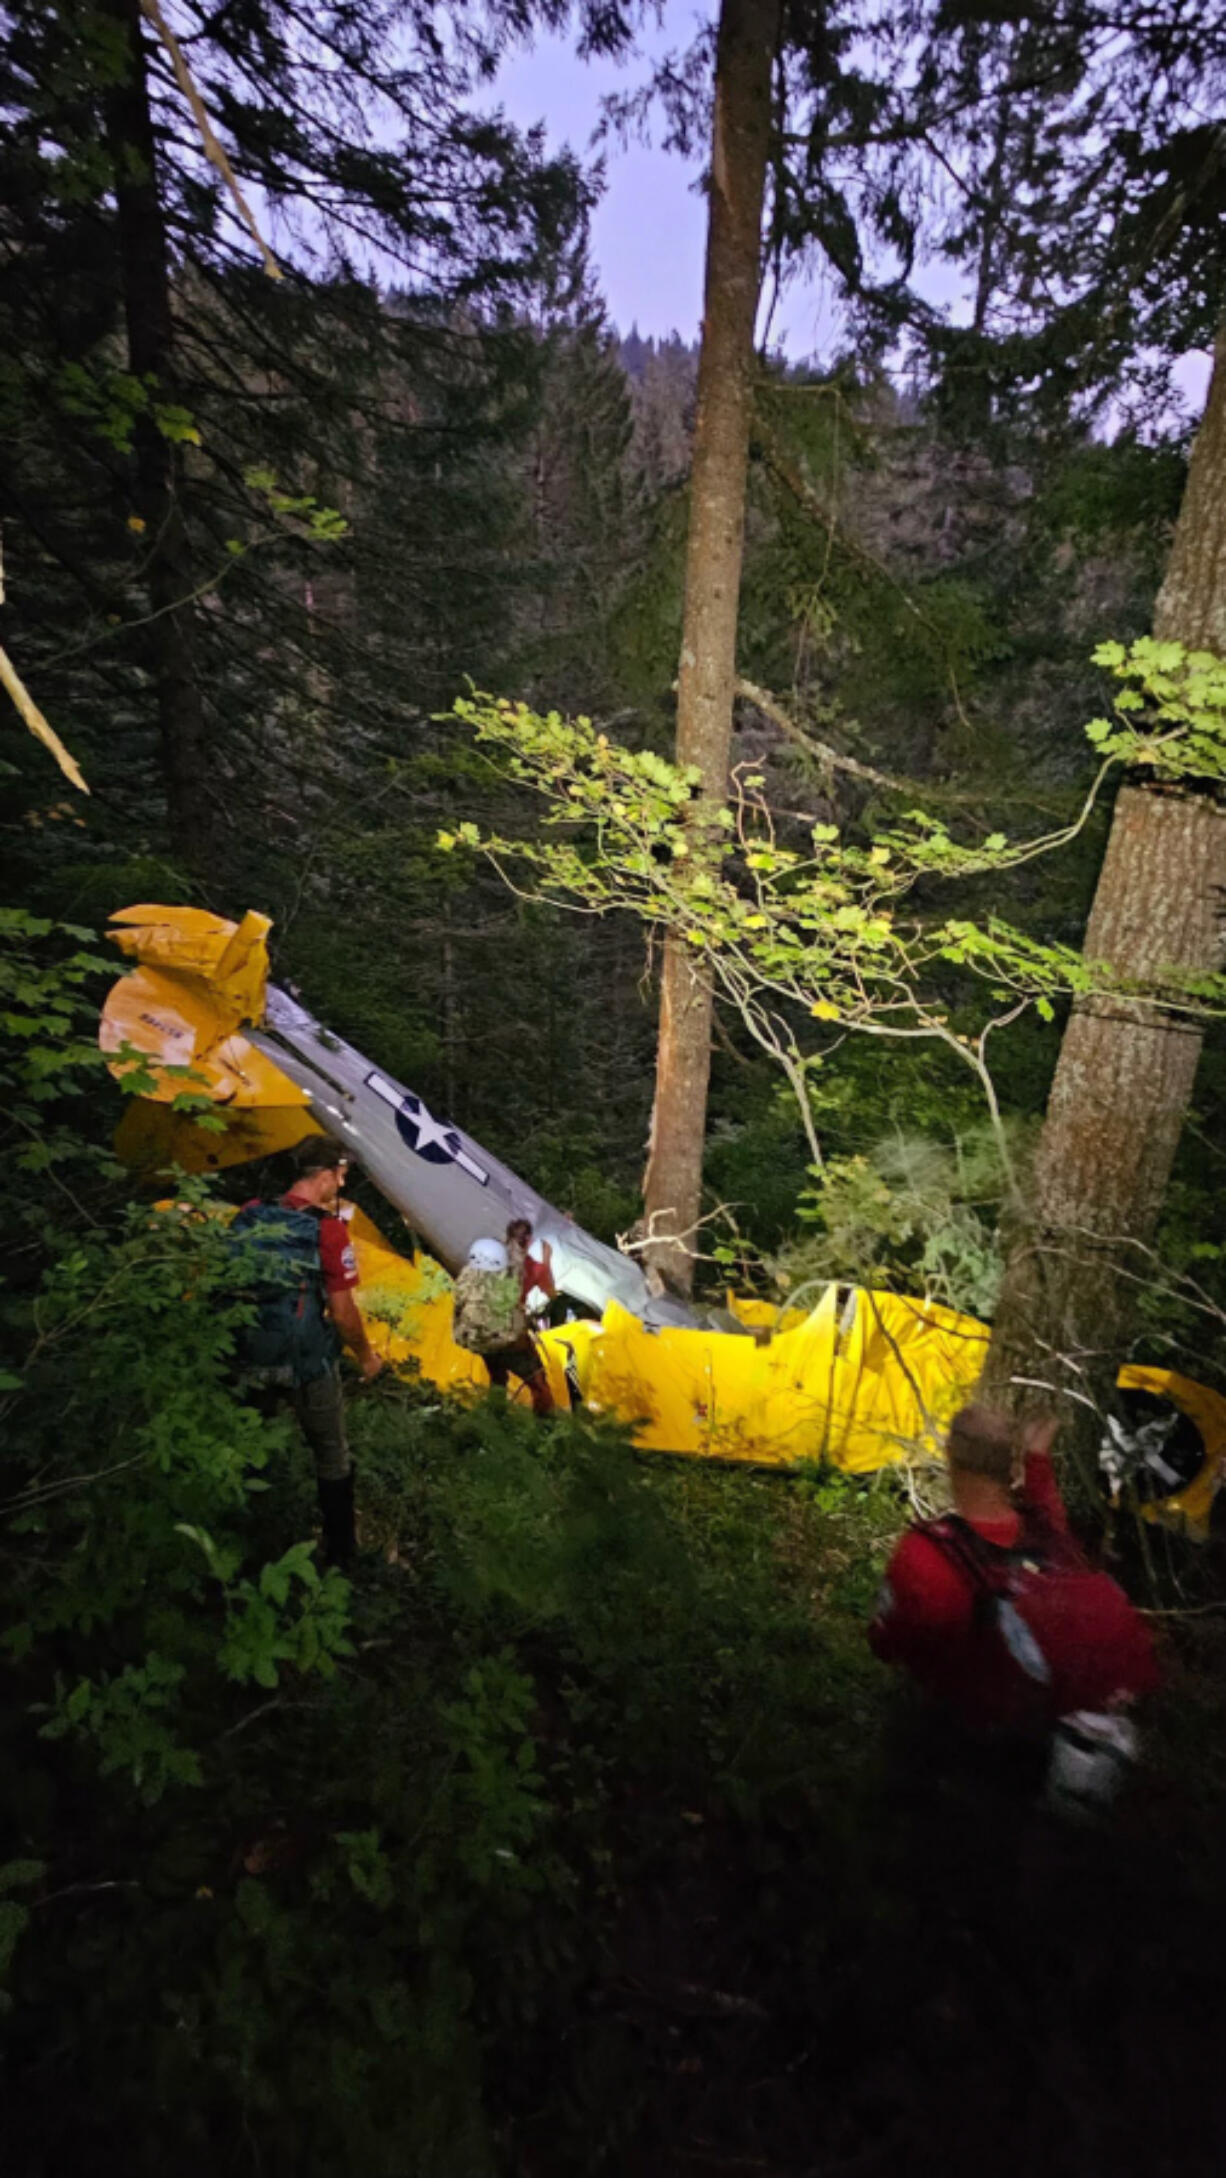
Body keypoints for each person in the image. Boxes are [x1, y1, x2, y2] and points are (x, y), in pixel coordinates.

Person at [869, 1403, 1158, 1816]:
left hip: (970, 1745)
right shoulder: (1048, 1536)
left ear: (951, 1455)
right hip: (1046, 1737)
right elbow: (1045, 1503)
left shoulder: (930, 1555)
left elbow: (889, 1643)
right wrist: (1037, 1456)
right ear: (1012, 1469)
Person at [231, 1135, 382, 1567]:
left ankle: (250, 1548)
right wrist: (367, 1356)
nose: (343, 1185)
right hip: (306, 1360)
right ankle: (342, 1557)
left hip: (249, 1351)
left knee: (250, 1449)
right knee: (332, 1453)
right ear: (324, 1175)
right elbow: (342, 1312)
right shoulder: (328, 1229)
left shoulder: (250, 1214)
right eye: (342, 1176)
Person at [451, 1236, 555, 1416]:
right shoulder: (520, 1272)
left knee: (498, 1379)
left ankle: (495, 1419)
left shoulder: (472, 1275)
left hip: (481, 1341)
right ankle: (546, 1427)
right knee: (538, 1383)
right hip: (510, 1342)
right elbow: (549, 1293)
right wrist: (547, 1258)